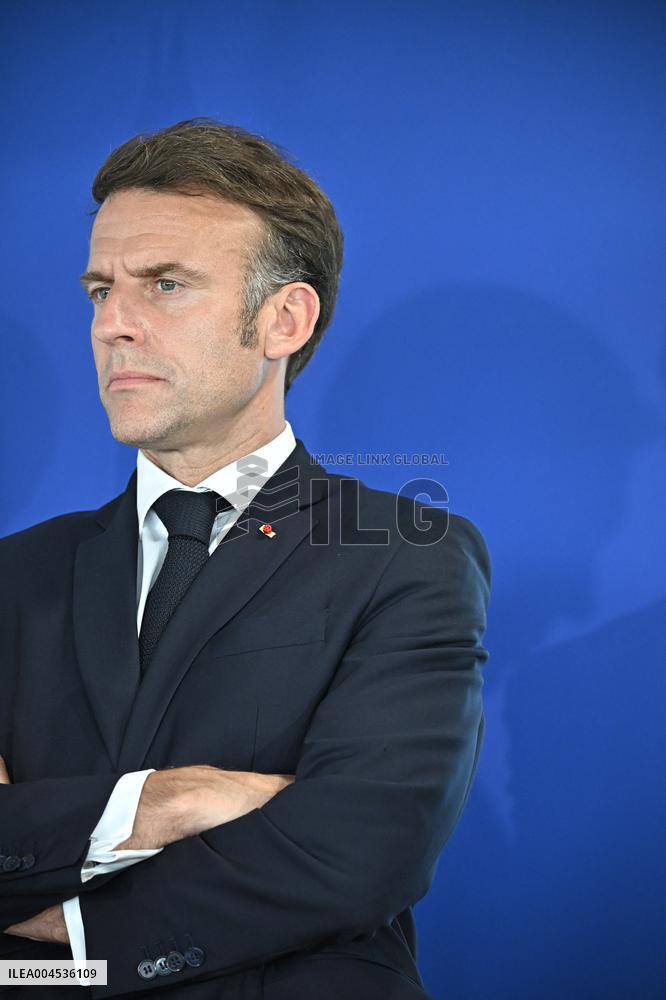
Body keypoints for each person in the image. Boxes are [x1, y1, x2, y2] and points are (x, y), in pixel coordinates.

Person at [0, 118, 491, 999]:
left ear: (283, 320)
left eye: (166, 284)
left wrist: (63, 941)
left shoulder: (405, 557)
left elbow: (358, 854)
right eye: (101, 289)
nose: (113, 324)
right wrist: (170, 801)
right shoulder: (15, 575)